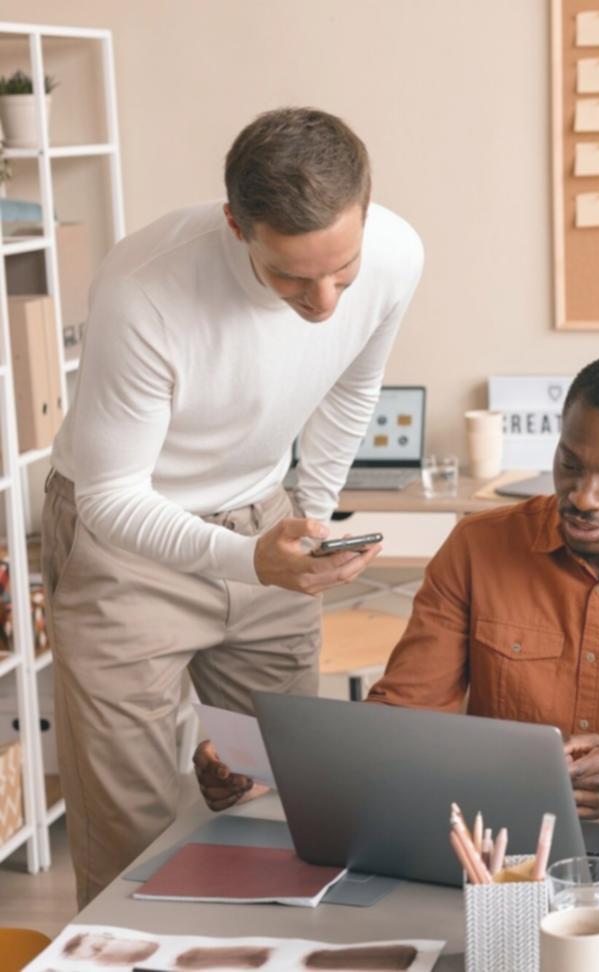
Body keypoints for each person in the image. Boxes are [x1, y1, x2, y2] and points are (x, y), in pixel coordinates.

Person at [44, 106, 423, 904]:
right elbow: (113, 495)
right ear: (235, 225)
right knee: (132, 835)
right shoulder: (145, 288)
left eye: (341, 271)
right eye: (290, 275)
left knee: (282, 800)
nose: (323, 300)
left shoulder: (394, 255)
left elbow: (353, 384)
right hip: (126, 544)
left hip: (264, 514)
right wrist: (246, 560)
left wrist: (310, 521)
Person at [197, 354, 599, 818]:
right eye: (570, 464)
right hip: (498, 837)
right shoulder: (477, 547)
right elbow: (405, 710)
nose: (583, 496)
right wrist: (270, 772)